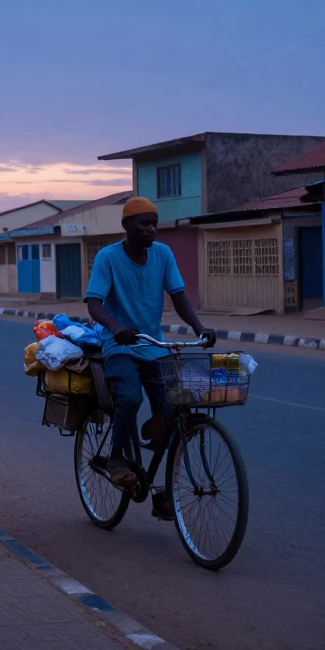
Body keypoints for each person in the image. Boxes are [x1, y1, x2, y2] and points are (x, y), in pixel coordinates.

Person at [85, 197, 216, 516]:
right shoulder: (108, 257)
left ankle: (161, 487)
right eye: (144, 223)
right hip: (120, 345)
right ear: (126, 226)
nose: (152, 229)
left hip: (154, 345)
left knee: (173, 409)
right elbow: (94, 303)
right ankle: (116, 455)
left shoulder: (163, 254)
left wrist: (200, 327)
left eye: (155, 223)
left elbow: (179, 297)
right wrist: (115, 327)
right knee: (129, 398)